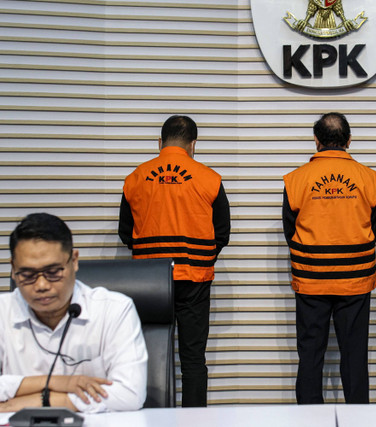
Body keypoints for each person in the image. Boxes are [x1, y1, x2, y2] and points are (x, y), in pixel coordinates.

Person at [118, 115, 231, 407]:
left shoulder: (135, 178)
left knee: (150, 355)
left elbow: (125, 233)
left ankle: (151, 419)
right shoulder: (209, 179)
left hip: (149, 282)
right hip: (194, 280)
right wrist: (198, 257)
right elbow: (222, 233)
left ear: (159, 142)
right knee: (193, 360)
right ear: (193, 144)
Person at [1, 213, 147, 413]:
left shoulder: (113, 309)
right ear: (13, 269)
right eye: (27, 275)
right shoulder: (3, 312)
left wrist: (45, 400)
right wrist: (55, 383)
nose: (41, 285)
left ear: (74, 261)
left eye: (53, 272)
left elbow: (130, 394)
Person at [282, 112, 376, 404]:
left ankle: (310, 421)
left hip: (311, 279)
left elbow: (291, 230)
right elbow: (373, 228)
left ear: (316, 141)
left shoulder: (296, 180)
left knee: (310, 354)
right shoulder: (370, 179)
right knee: (354, 356)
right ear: (349, 141)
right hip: (356, 280)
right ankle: (358, 421)